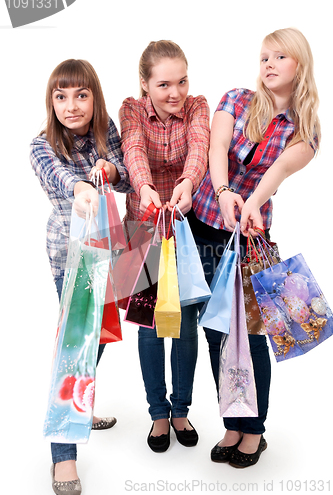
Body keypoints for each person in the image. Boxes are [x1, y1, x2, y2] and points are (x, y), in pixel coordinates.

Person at [188, 27, 320, 468]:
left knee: (249, 335)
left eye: (279, 57)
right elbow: (217, 146)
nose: (268, 64)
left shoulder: (305, 131)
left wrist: (251, 205)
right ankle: (231, 421)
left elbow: (277, 172)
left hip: (247, 239)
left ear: (299, 65)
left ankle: (254, 430)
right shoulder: (237, 99)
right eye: (264, 56)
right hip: (204, 225)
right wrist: (225, 192)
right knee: (214, 333)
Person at [30, 59, 131, 494]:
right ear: (51, 102)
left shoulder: (106, 133)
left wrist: (110, 170)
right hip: (72, 257)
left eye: (81, 95)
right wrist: (82, 186)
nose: (71, 106)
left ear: (94, 97)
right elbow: (60, 178)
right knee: (75, 346)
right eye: (61, 96)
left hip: (115, 250)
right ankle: (63, 458)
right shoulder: (40, 145)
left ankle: (81, 402)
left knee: (99, 336)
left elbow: (126, 174)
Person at [119, 40, 210, 452]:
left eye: (182, 81)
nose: (176, 93)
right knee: (150, 324)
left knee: (185, 323)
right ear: (145, 85)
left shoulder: (197, 106)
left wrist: (188, 184)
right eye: (164, 85)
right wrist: (145, 189)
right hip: (142, 225)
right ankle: (158, 413)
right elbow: (133, 149)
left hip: (183, 226)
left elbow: (199, 147)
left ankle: (181, 410)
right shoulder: (132, 110)